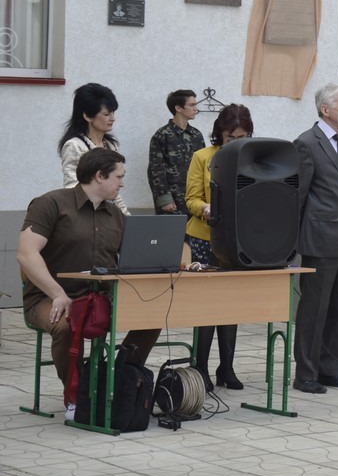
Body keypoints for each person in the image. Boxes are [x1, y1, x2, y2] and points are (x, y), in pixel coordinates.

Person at [18, 148, 160, 418]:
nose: (122, 182)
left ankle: (117, 381)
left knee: (151, 316)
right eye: (119, 176)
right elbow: (26, 253)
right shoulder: (51, 204)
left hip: (99, 299)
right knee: (64, 322)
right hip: (50, 297)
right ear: (99, 176)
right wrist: (57, 293)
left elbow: (131, 260)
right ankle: (78, 396)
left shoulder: (116, 215)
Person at [293, 84, 338, 394]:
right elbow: (299, 195)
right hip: (320, 238)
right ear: (325, 109)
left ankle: (332, 368)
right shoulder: (307, 143)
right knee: (314, 309)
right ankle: (306, 373)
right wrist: (294, 241)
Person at [184, 103, 253, 391]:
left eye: (242, 138)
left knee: (230, 306)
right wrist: (205, 208)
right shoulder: (202, 157)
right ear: (220, 135)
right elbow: (190, 198)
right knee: (206, 307)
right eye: (230, 138)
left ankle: (227, 366)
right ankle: (200, 367)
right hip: (203, 237)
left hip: (236, 240)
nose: (236, 143)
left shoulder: (253, 158)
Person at [58, 82, 130, 215]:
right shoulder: (74, 146)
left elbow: (115, 187)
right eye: (106, 114)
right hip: (88, 215)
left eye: (113, 113)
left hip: (110, 214)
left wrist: (126, 217)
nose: (113, 118)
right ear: (87, 116)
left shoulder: (110, 145)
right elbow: (72, 187)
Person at [148, 89, 205, 215]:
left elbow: (204, 166)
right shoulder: (162, 136)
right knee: (172, 234)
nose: (196, 109)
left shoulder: (196, 135)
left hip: (195, 199)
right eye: (192, 105)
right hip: (173, 201)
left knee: (194, 234)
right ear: (178, 108)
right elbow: (155, 170)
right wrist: (164, 200)